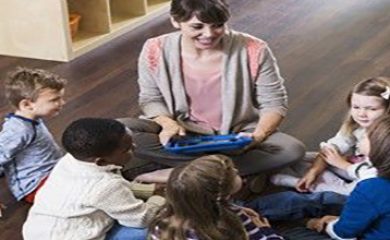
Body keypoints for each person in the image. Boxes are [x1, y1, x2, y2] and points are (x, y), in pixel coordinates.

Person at [120, 0, 305, 178]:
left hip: (235, 135)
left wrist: (258, 136)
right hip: (182, 133)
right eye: (197, 27)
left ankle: (181, 172)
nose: (208, 34)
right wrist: (168, 124)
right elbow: (151, 98)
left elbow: (274, 102)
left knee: (290, 149)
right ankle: (223, 172)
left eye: (217, 25)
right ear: (175, 21)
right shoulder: (155, 48)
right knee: (121, 130)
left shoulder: (254, 48)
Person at [22, 118, 165, 240]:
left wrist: (148, 190)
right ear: (101, 162)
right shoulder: (105, 186)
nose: (135, 147)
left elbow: (114, 192)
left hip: (38, 231)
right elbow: (142, 219)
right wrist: (159, 198)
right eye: (127, 149)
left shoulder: (70, 161)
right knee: (158, 226)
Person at [271, 77, 390, 195]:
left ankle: (300, 182)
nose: (361, 114)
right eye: (356, 107)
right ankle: (305, 174)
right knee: (304, 157)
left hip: (375, 175)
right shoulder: (356, 126)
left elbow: (374, 173)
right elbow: (332, 147)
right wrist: (314, 171)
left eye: (372, 109)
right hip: (356, 164)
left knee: (351, 191)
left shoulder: (385, 137)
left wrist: (341, 164)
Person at [148, 154, 284, 240]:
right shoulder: (235, 222)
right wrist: (266, 230)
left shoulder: (161, 221)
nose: (237, 171)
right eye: (234, 173)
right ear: (223, 194)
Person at [306, 115, 390, 240]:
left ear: (377, 147)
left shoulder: (372, 187)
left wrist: (326, 224)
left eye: (366, 134)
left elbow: (343, 233)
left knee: (295, 231)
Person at [0, 67, 66, 203]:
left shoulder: (31, 119)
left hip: (52, 172)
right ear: (27, 105)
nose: (62, 103)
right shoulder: (18, 130)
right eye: (55, 100)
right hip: (35, 186)